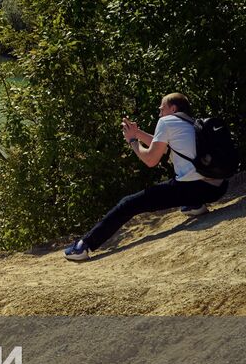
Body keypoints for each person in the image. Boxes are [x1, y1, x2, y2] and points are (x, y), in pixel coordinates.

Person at [65, 92, 230, 261]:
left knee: (128, 203)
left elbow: (151, 160)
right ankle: (195, 205)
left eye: (161, 109)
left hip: (196, 188)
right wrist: (137, 133)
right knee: (180, 183)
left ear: (173, 108)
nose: (159, 113)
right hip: (218, 187)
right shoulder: (190, 123)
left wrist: (132, 142)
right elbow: (165, 148)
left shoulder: (166, 122)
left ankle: (83, 247)